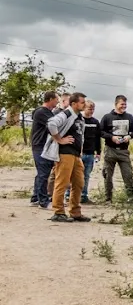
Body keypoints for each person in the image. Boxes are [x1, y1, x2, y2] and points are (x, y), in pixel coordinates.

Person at [43, 92, 90, 223]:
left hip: (75, 155)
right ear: (74, 103)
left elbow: (80, 135)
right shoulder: (67, 114)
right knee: (62, 182)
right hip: (65, 153)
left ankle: (75, 212)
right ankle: (58, 212)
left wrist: (80, 150)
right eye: (82, 102)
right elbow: (51, 124)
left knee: (79, 183)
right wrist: (59, 139)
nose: (84, 104)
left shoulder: (79, 117)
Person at [100, 95, 133, 202]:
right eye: (122, 104)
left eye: (125, 104)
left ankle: (130, 197)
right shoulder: (107, 117)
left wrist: (129, 136)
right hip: (110, 150)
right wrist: (111, 137)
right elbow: (101, 132)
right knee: (108, 175)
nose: (124, 106)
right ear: (116, 104)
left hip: (124, 151)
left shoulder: (129, 117)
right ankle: (108, 198)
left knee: (128, 174)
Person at [67, 99, 102, 204]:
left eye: (93, 109)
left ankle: (84, 195)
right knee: (73, 176)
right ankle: (69, 195)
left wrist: (98, 152)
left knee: (86, 175)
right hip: (78, 153)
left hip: (90, 153)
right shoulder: (78, 120)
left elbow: (97, 138)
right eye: (89, 108)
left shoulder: (95, 122)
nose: (91, 111)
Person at [30, 91, 59, 208]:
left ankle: (35, 198)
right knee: (44, 173)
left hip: (43, 145)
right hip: (40, 145)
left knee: (41, 173)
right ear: (51, 99)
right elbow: (54, 125)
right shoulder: (42, 112)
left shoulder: (48, 113)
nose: (58, 102)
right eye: (57, 99)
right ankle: (43, 201)